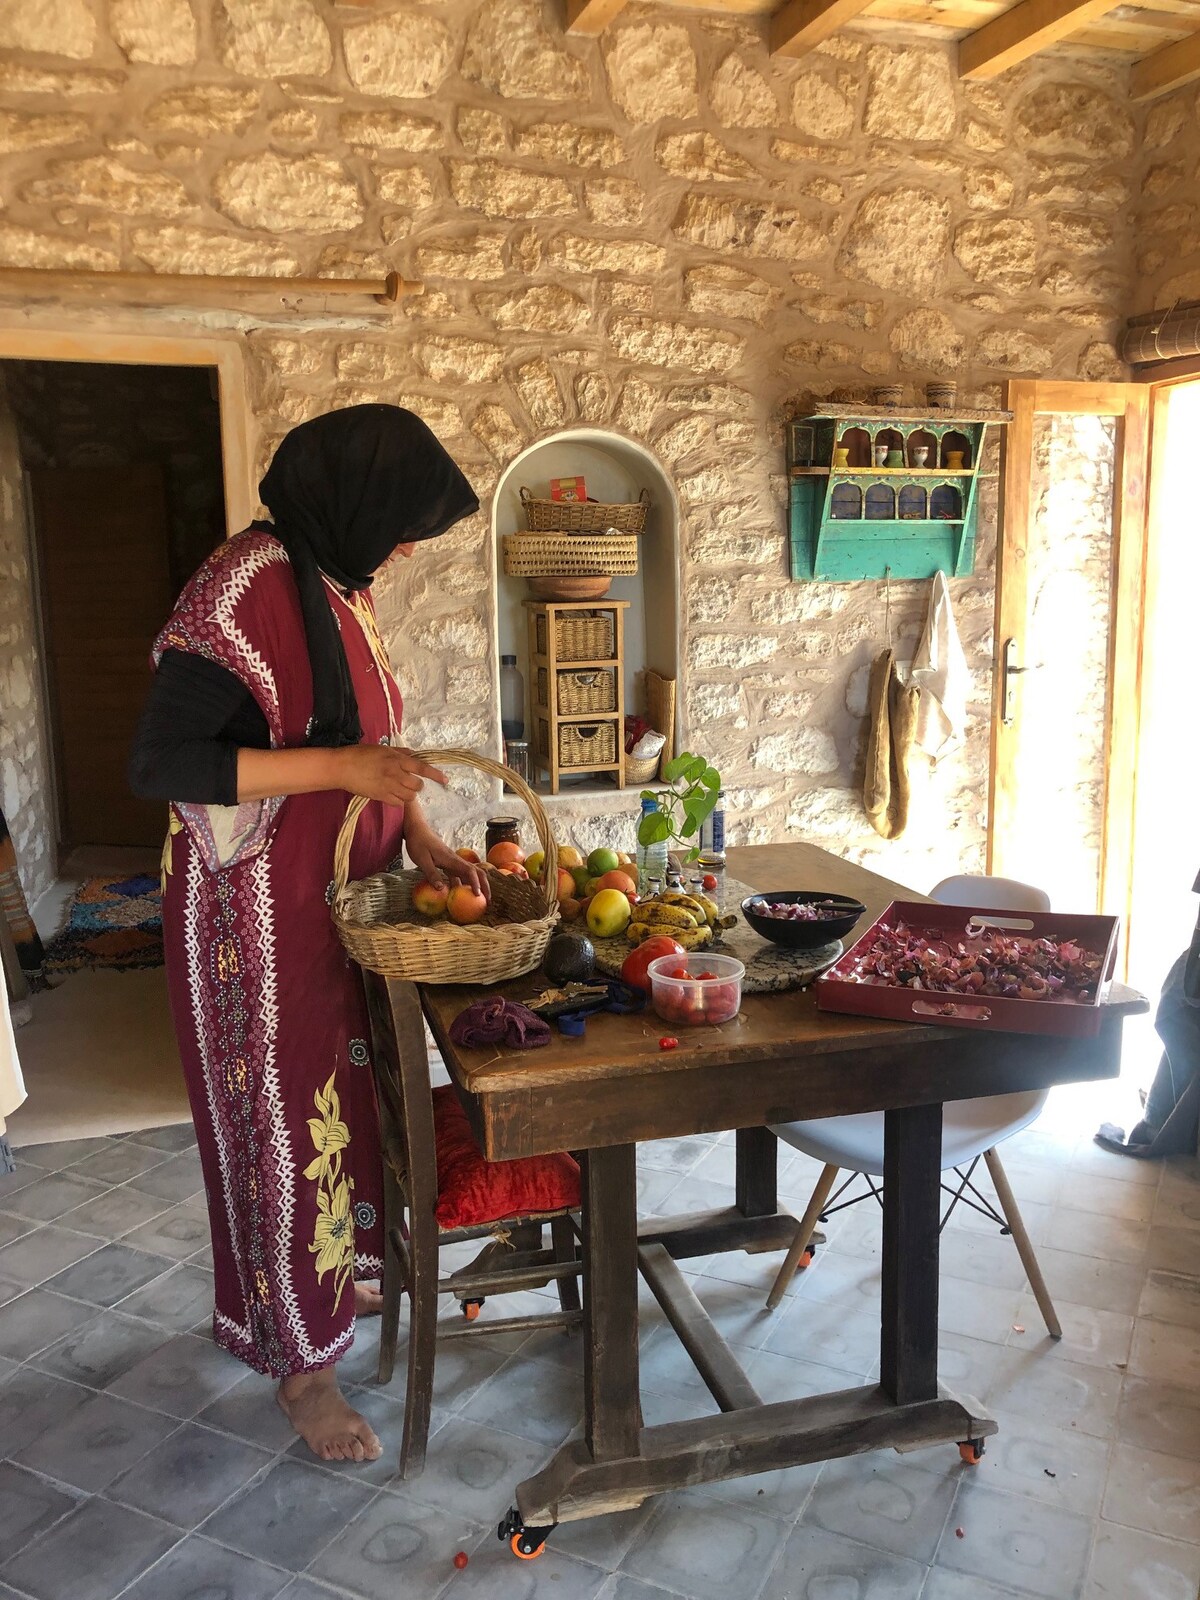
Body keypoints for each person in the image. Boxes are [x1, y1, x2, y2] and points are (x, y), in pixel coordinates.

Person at [130, 405, 484, 1464]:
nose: (410, 545)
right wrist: (342, 776)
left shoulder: (341, 587)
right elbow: (165, 762)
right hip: (254, 926)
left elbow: (361, 736)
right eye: (405, 521)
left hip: (336, 909)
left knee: (349, 1101)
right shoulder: (238, 588)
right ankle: (302, 1367)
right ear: (352, 499)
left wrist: (415, 825)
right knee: (282, 1131)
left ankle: (330, 1281)